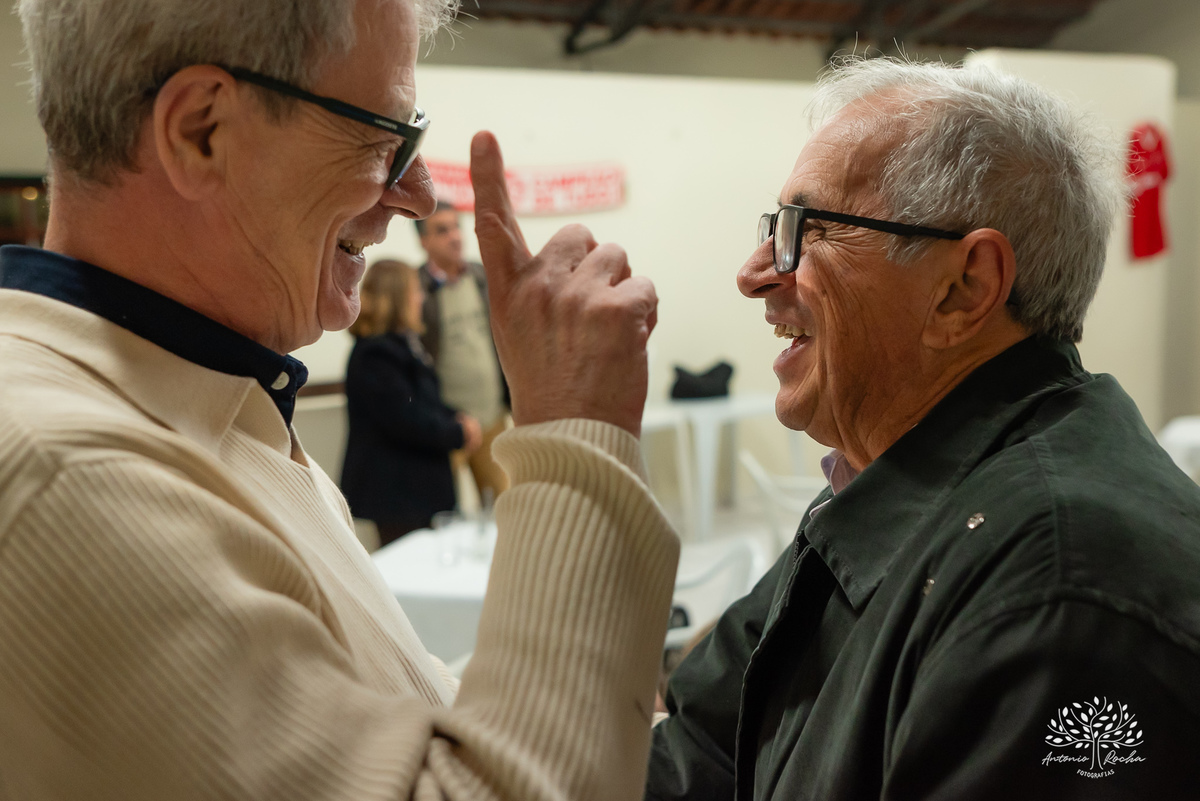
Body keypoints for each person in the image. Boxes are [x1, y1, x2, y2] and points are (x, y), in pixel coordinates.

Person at [0, 0, 677, 798]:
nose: (419, 195)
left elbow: (385, 715)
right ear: (201, 132)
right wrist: (578, 431)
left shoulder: (209, 399)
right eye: (387, 138)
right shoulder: (66, 475)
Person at [646, 58, 1200, 800]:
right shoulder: (892, 477)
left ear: (964, 288)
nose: (754, 273)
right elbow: (704, 742)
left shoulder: (1061, 597)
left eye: (804, 230)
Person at [341, 258, 482, 545]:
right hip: (398, 494)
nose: (421, 297)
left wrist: (457, 416)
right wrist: (457, 431)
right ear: (397, 297)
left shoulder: (403, 344)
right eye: (415, 290)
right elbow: (406, 419)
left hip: (416, 488)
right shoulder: (375, 354)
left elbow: (424, 401)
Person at [415, 201, 510, 501]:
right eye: (442, 231)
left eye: (456, 227)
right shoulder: (417, 288)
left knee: (504, 506)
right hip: (448, 424)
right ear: (424, 241)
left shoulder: (480, 276)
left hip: (492, 417)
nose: (455, 236)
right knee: (446, 512)